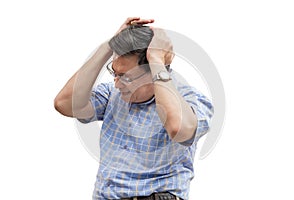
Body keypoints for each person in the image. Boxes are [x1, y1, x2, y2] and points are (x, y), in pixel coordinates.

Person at [54, 17, 213, 200]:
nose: (117, 84)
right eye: (115, 73)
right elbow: (64, 104)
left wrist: (156, 59)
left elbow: (178, 128)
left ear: (152, 71)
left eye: (126, 77)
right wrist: (108, 46)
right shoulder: (111, 96)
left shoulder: (191, 100)